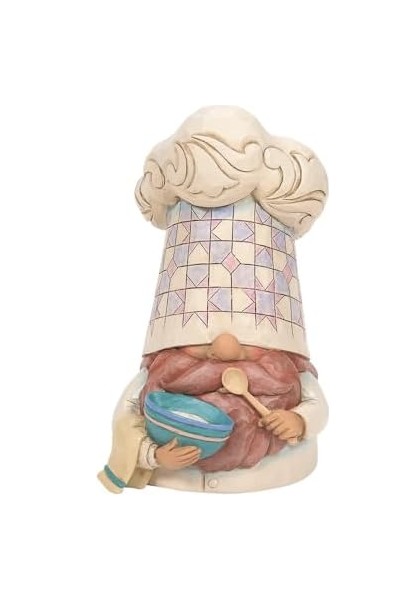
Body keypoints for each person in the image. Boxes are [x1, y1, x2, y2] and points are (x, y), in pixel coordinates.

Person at [98, 106, 329, 493]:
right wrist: (154, 456)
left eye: (251, 343)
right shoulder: (158, 380)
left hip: (283, 483)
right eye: (199, 341)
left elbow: (316, 404)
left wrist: (300, 420)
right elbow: (126, 416)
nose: (225, 348)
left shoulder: (288, 377)